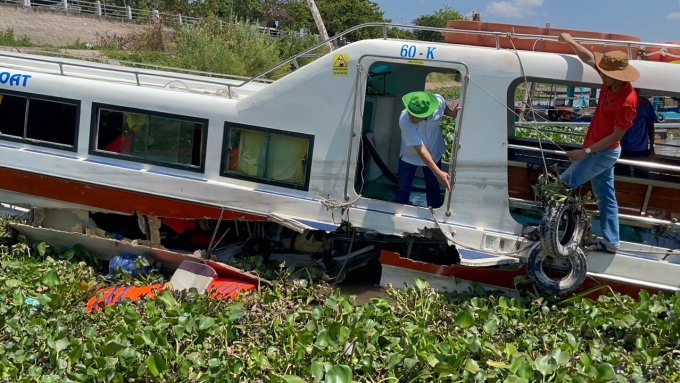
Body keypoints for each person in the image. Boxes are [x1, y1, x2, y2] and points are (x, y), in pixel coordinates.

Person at [558, 33, 640, 254]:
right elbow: (588, 58)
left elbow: (616, 136)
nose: (601, 75)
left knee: (561, 185)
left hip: (602, 152)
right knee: (606, 196)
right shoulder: (609, 79)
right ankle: (611, 242)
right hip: (599, 149)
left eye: (606, 74)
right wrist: (570, 41)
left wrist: (585, 152)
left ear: (619, 76)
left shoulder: (627, 101)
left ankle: (550, 232)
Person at [395, 91, 459, 208]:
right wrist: (438, 172)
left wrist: (452, 113)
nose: (411, 117)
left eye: (415, 116)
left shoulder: (437, 102)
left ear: (427, 113)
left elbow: (443, 104)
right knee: (402, 188)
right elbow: (421, 149)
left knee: (433, 187)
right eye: (410, 113)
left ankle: (434, 213)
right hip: (410, 156)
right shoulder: (404, 120)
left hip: (434, 153)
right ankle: (400, 211)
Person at [617, 90, 656, 177]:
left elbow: (651, 126)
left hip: (640, 149)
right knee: (622, 176)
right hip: (622, 147)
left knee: (642, 175)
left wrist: (652, 146)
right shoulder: (620, 103)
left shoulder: (645, 104)